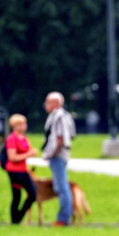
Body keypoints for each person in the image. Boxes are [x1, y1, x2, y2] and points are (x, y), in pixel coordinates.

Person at [42, 92, 75, 226]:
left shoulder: (59, 117)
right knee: (60, 186)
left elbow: (60, 138)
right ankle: (65, 216)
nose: (46, 105)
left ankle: (63, 218)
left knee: (62, 187)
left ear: (56, 103)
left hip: (58, 155)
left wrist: (52, 153)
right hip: (58, 155)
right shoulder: (61, 116)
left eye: (48, 102)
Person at [4, 114, 38, 224]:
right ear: (14, 126)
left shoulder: (24, 138)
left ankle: (19, 216)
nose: (23, 126)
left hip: (23, 170)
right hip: (14, 171)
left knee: (32, 194)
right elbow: (12, 157)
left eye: (24, 124)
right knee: (17, 196)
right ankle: (15, 220)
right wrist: (29, 154)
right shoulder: (11, 139)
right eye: (20, 124)